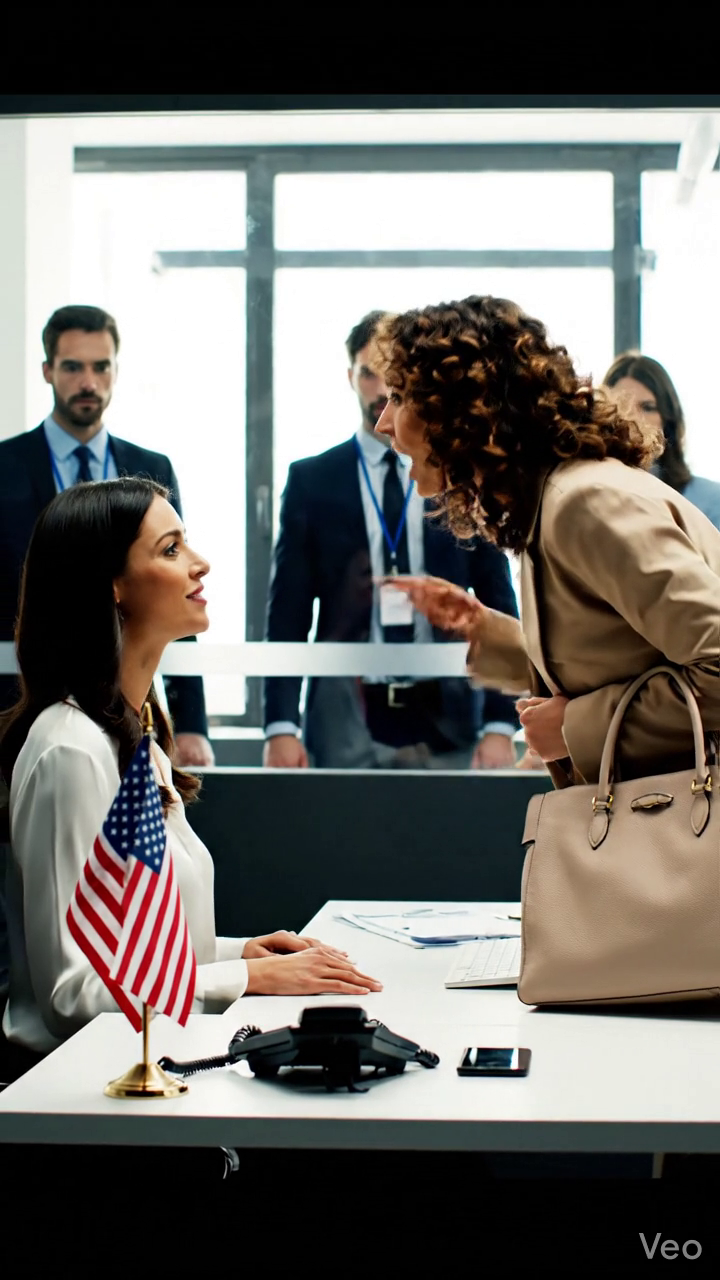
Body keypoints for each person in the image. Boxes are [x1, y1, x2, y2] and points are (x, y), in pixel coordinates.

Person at [0, 477, 381, 1065]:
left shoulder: (132, 734)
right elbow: (72, 995)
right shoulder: (70, 751)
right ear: (112, 585)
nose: (200, 564)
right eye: (171, 549)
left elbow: (139, 950)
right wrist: (248, 980)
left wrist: (241, 954)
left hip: (148, 1070)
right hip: (81, 1093)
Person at [372, 295, 720, 791]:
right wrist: (492, 635)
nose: (383, 422)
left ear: (463, 408)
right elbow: (621, 660)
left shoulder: (584, 503)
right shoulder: (553, 502)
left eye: (399, 397)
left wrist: (573, 729)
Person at [263, 311, 520, 772]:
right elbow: (288, 611)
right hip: (345, 712)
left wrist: (501, 724)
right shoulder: (312, 481)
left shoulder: (457, 471)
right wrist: (281, 725)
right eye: (368, 373)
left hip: (448, 711)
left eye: (393, 375)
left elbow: (496, 596)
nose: (381, 389)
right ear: (350, 377)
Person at [0, 304, 213, 768]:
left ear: (116, 370)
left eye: (101, 367)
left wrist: (192, 721)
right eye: (72, 367)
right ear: (47, 371)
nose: (88, 382)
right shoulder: (4, 467)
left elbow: (173, 585)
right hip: (18, 703)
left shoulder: (151, 467)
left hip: (127, 704)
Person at [603, 351, 720, 531]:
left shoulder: (710, 500)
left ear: (667, 419)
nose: (633, 419)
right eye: (621, 406)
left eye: (648, 407)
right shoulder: (588, 495)